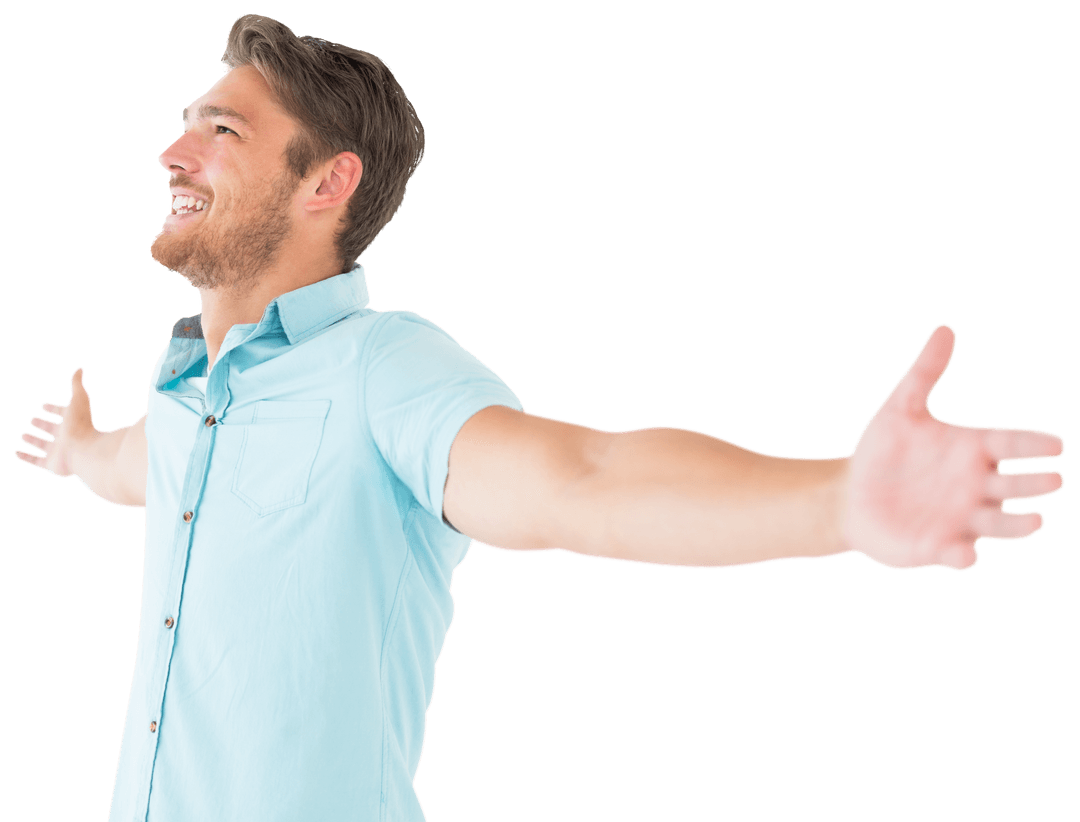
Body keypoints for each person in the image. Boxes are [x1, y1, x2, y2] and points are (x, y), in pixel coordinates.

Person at [13, 13, 1066, 822]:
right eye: (187, 122)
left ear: (327, 182)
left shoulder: (383, 371)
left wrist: (837, 499)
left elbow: (584, 482)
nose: (172, 151)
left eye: (221, 128)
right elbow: (146, 467)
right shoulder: (185, 396)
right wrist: (79, 452)